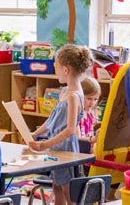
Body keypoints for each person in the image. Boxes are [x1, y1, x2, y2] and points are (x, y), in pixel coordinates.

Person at [30, 44, 93, 205]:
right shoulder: (65, 91)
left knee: (67, 191)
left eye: (56, 67)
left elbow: (71, 130)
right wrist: (36, 134)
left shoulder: (73, 95)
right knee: (56, 186)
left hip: (66, 149)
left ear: (65, 70)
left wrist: (45, 144)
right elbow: (52, 119)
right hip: (56, 148)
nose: (55, 71)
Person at [77, 77, 101, 152]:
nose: (92, 103)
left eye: (95, 99)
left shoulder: (91, 114)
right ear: (80, 96)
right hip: (79, 153)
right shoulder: (76, 115)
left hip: (89, 151)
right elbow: (77, 140)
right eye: (89, 98)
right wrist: (93, 139)